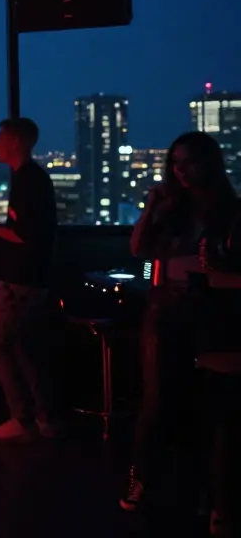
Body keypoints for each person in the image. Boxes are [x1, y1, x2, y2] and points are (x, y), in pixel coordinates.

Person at [123, 131, 237, 515]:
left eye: (189, 162)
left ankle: (205, 489)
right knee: (157, 401)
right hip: (169, 308)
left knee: (204, 402)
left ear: (209, 163)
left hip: (211, 311)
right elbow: (138, 248)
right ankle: (145, 480)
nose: (181, 170)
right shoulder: (172, 206)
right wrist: (153, 202)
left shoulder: (228, 209)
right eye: (176, 163)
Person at [0, 117, 61, 442]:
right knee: (23, 347)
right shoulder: (31, 177)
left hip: (20, 280)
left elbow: (27, 234)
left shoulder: (28, 180)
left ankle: (23, 418)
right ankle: (43, 418)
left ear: (15, 142)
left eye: (0, 139)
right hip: (31, 277)